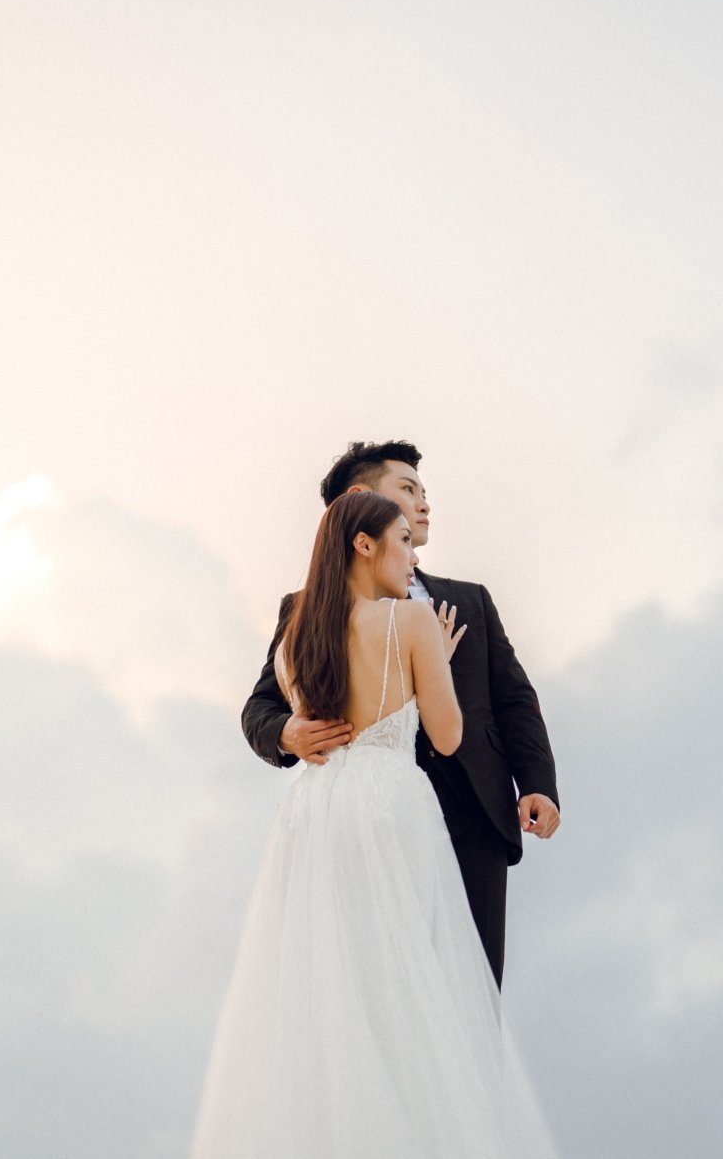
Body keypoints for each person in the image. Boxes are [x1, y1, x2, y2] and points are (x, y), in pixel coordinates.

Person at [188, 491, 560, 1158]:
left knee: (327, 982)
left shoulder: (296, 630)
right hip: (389, 803)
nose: (412, 554)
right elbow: (447, 737)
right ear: (365, 544)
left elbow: (279, 710)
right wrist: (433, 664)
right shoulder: (412, 622)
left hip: (315, 806)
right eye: (403, 541)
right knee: (410, 978)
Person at [242, 440, 560, 984]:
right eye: (408, 489)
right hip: (364, 823)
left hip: (472, 817)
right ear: (362, 501)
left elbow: (514, 698)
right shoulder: (303, 610)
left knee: (471, 995)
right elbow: (262, 705)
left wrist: (537, 782)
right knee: (371, 984)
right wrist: (287, 735)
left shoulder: (471, 599)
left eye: (425, 492)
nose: (424, 503)